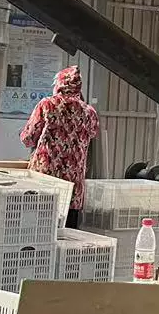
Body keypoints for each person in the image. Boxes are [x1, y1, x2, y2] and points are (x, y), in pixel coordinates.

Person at [18, 65, 99, 227]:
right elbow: (92, 134)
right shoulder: (89, 112)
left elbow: (28, 139)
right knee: (67, 232)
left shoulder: (47, 105)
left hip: (45, 180)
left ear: (60, 84)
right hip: (73, 185)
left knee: (39, 229)